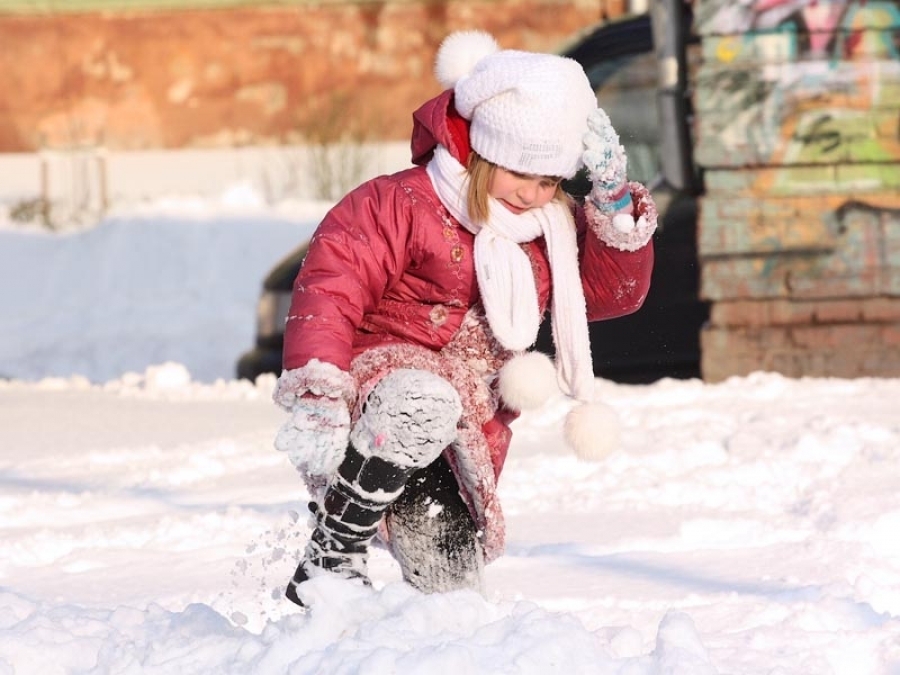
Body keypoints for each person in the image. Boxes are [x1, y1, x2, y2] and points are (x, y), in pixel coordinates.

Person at [272, 30, 658, 607]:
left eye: (549, 180)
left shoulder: (549, 229)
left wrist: (612, 203)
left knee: (452, 597)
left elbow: (611, 294)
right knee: (422, 396)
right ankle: (333, 551)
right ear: (481, 155)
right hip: (378, 394)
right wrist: (318, 389)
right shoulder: (400, 203)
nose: (532, 194)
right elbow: (331, 289)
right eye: (518, 173)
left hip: (469, 422)